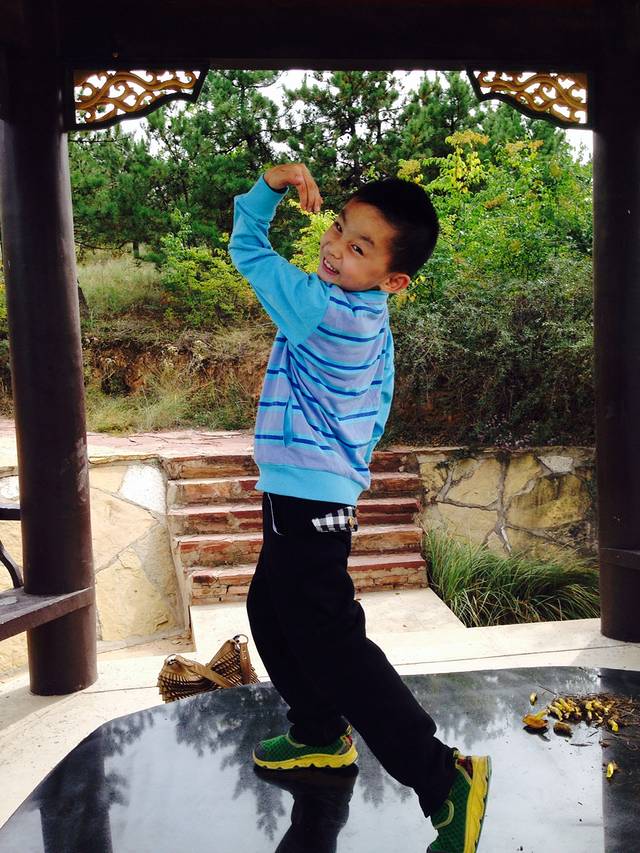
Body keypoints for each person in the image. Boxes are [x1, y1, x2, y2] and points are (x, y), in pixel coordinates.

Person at [229, 162, 490, 853]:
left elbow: (247, 248)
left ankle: (443, 778)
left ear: (393, 279)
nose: (335, 248)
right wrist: (348, 465)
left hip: (305, 494)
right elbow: (379, 399)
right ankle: (319, 733)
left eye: (359, 247)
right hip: (316, 489)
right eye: (340, 229)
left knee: (332, 642)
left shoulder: (321, 308)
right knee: (271, 609)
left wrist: (270, 186)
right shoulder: (370, 318)